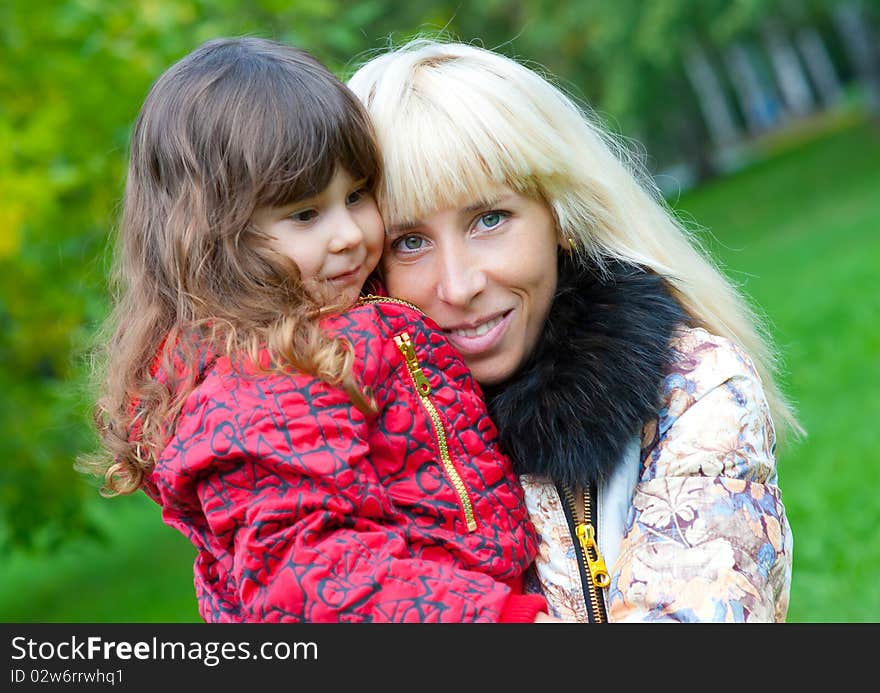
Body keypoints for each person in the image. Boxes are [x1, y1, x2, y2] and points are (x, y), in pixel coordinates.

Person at [77, 36, 551, 623]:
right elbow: (314, 577)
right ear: (212, 238)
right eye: (305, 213)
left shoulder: (331, 325)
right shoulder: (255, 382)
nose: (349, 234)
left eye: (356, 195)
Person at [347, 38, 799, 622]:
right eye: (411, 242)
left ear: (560, 217)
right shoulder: (340, 432)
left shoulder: (692, 387)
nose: (458, 286)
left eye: (490, 220)